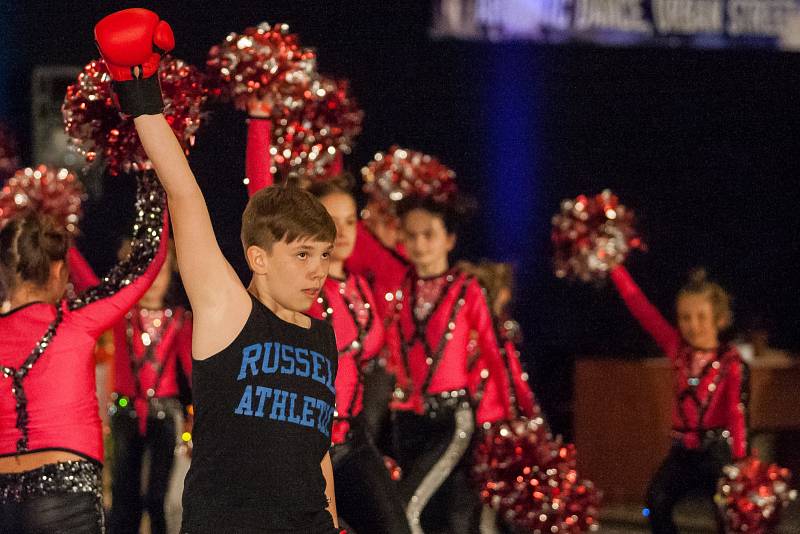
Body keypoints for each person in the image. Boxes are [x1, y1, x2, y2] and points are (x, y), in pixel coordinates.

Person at [93, 8, 341, 533]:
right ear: (258, 259)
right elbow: (184, 193)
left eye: (324, 255)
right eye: (302, 255)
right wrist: (138, 92)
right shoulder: (228, 309)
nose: (318, 270)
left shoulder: (323, 335)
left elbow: (317, 453)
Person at [0, 173, 169, 534]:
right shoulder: (76, 320)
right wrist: (152, 172)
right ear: (60, 271)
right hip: (66, 498)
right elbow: (146, 259)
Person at [385, 195, 510, 534]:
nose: (419, 243)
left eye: (429, 234)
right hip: (408, 422)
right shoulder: (399, 289)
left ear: (449, 239)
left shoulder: (467, 289)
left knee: (406, 507)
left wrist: (513, 417)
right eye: (411, 235)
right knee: (438, 518)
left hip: (453, 421)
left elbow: (495, 354)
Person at [305, 179, 411, 534]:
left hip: (354, 440)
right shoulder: (301, 291)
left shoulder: (360, 287)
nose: (344, 231)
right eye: (332, 220)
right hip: (306, 449)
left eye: (351, 220)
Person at [610, 264, 748, 534]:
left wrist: (741, 461)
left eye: (700, 317)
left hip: (718, 451)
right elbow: (641, 308)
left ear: (718, 319)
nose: (692, 325)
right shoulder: (677, 349)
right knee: (656, 500)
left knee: (727, 513)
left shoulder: (731, 362)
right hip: (683, 450)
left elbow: (737, 411)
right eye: (685, 317)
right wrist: (615, 268)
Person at [70, 239, 192, 534]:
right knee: (125, 497)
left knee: (159, 499)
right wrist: (66, 245)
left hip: (166, 416)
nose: (151, 282)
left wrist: (199, 414)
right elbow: (88, 283)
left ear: (171, 273)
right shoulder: (120, 314)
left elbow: (193, 371)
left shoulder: (179, 319)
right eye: (144, 273)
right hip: (124, 413)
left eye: (159, 273)